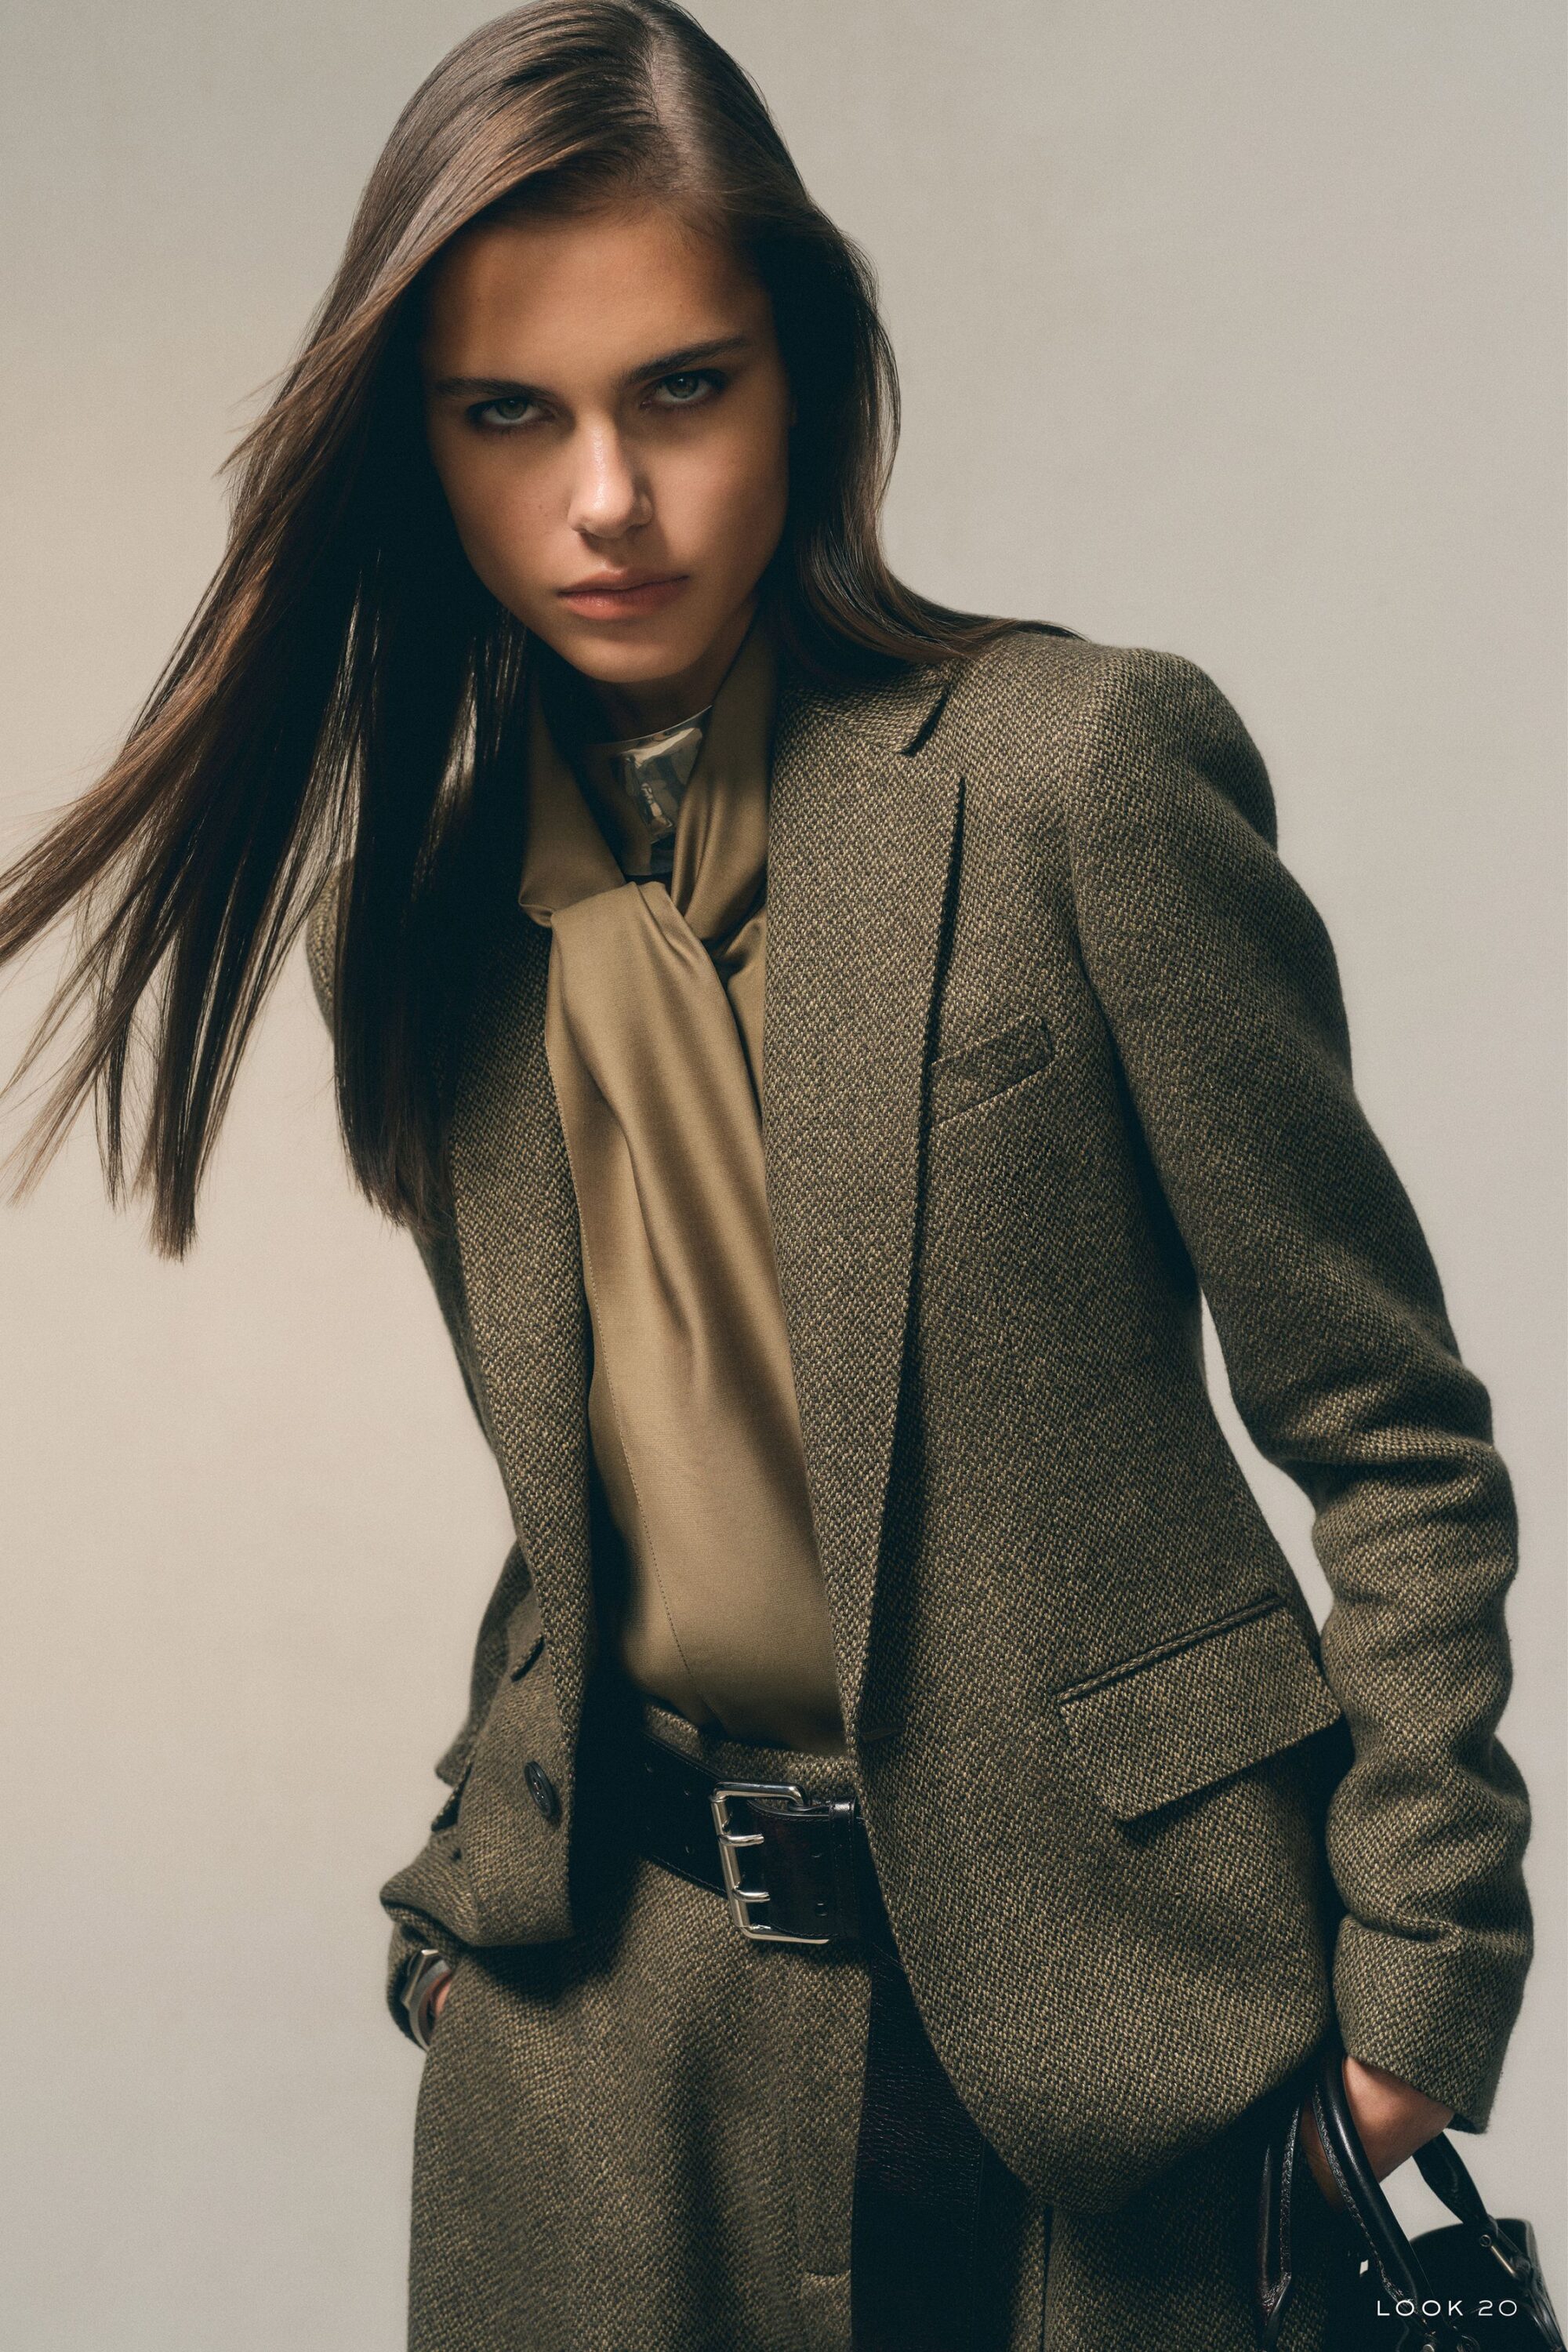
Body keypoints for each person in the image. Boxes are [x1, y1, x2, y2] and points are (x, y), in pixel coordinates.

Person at [0, 5, 1533, 2347]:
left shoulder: (1073, 775)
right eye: (510, 414)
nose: (605, 498)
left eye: (680, 391)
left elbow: (1389, 1423)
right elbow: (594, 1484)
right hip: (603, 2038)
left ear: (803, 387)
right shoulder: (420, 930)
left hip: (1101, 2024)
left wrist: (1425, 1968)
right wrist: (460, 1906)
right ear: (423, 447)